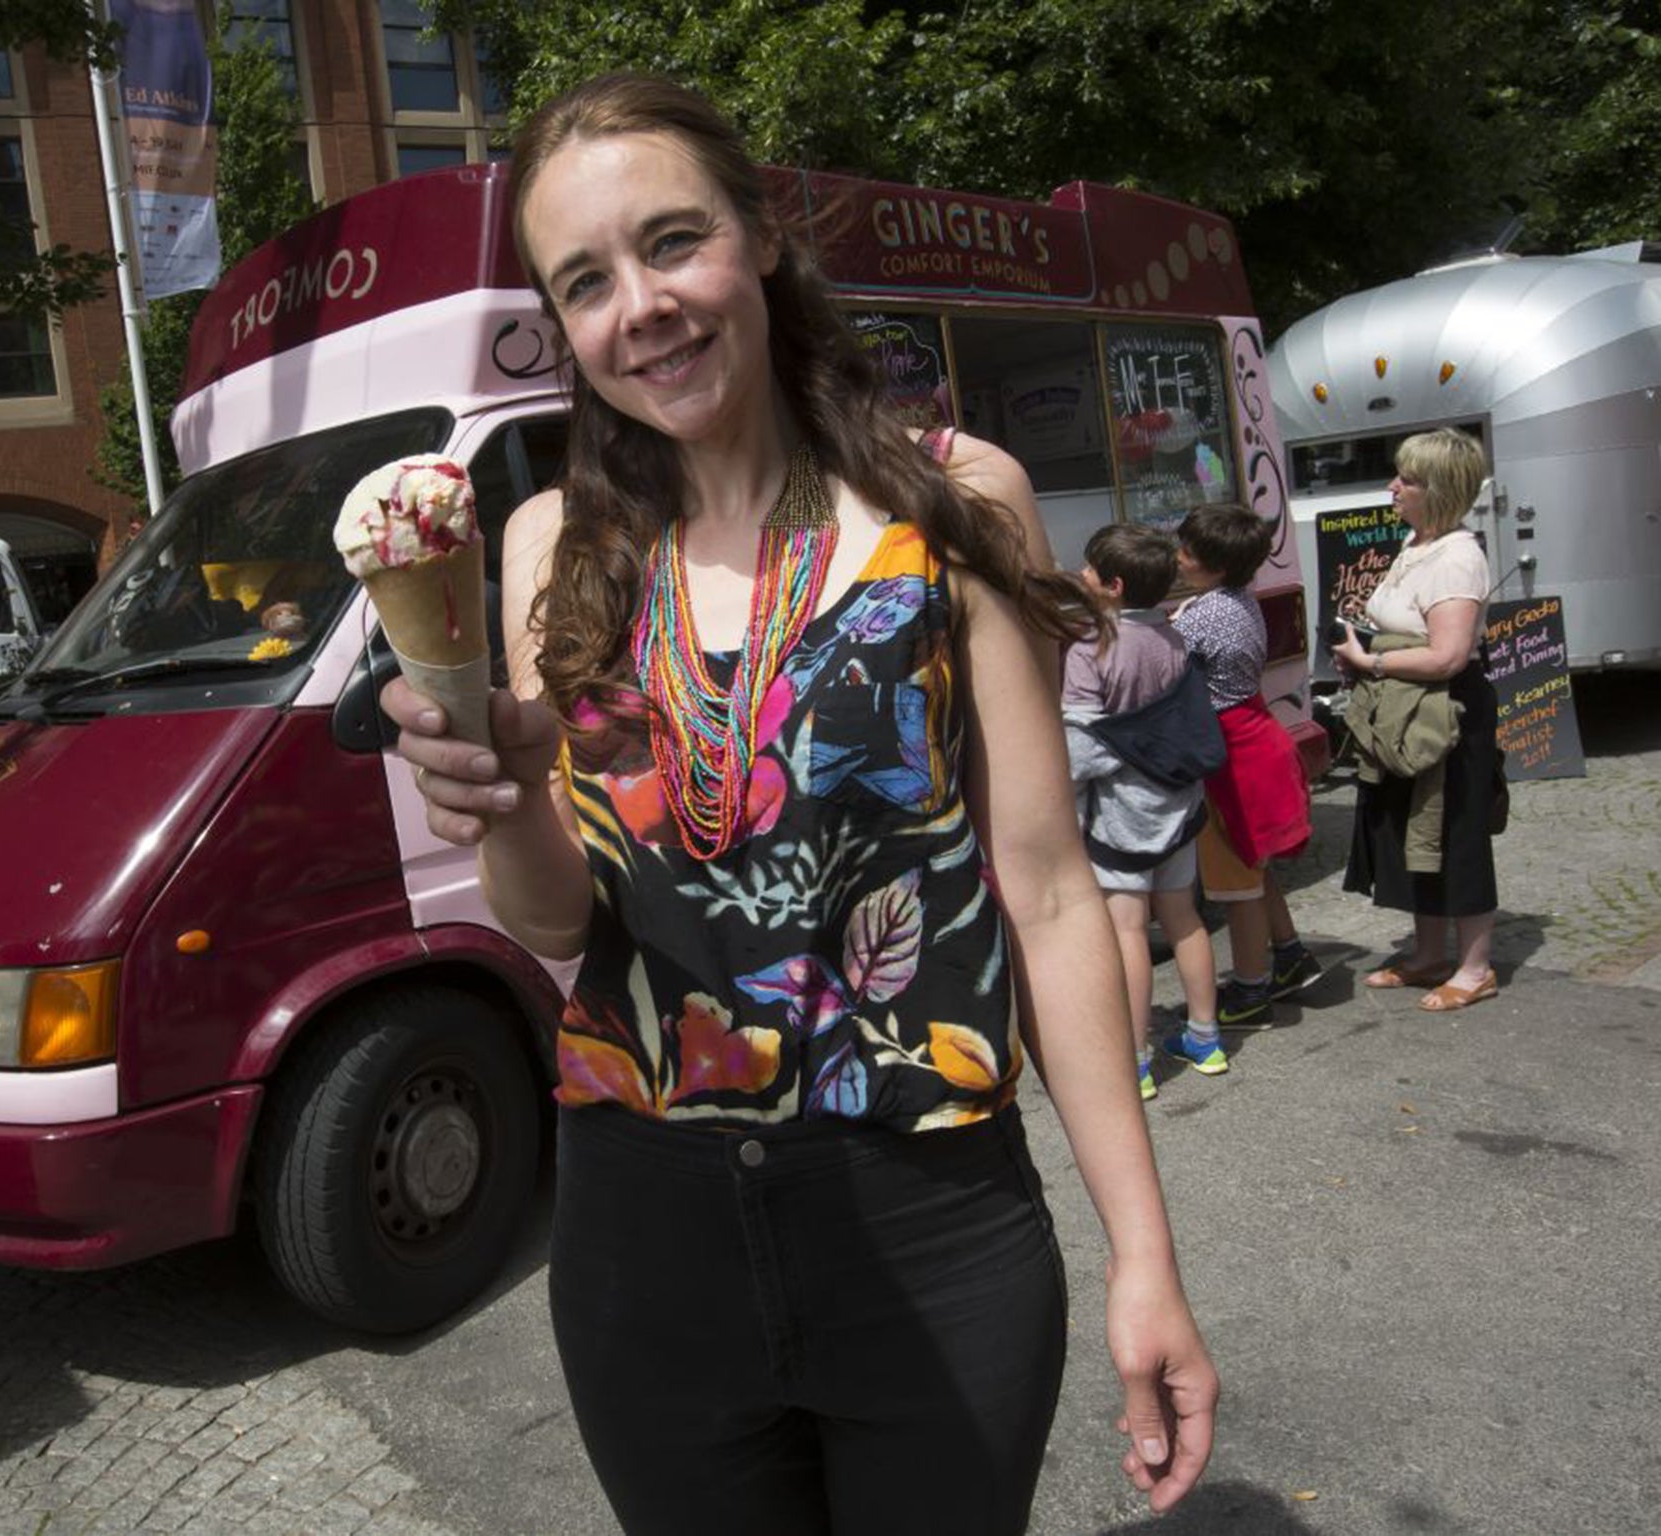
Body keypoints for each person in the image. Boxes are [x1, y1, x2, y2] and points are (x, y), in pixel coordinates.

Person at [381, 72, 1215, 1532]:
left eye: (672, 241)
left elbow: (1051, 891)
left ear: (760, 236)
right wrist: (504, 801)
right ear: (561, 322)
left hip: (932, 1214)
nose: (639, 305)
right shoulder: (547, 547)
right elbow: (559, 923)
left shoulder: (952, 502)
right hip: (646, 1240)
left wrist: (1144, 1257)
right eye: (587, 279)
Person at [1331, 428, 1500, 1011]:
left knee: (1454, 830)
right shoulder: (1417, 541)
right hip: (1404, 708)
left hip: (1443, 712)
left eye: (1407, 479)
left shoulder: (1457, 557)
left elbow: (1448, 655)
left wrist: (1370, 659)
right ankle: (1430, 955)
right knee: (1410, 831)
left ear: (1441, 489)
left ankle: (1475, 967)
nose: (1393, 486)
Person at [1062, 525, 1225, 1099]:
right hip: (1179, 806)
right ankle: (1205, 1037)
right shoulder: (1176, 640)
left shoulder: (1092, 647)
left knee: (1128, 929)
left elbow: (1080, 749)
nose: (1079, 576)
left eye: (1087, 570)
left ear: (1112, 585)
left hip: (1122, 816)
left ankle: (1134, 1061)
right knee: (1184, 919)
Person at [1171, 504, 1323, 1028]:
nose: (1178, 557)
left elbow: (1165, 667)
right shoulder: (1237, 599)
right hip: (1255, 739)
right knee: (1255, 866)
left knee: (1235, 882)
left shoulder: (1203, 615)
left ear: (1214, 565)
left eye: (1187, 551)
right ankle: (1289, 955)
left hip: (1229, 757)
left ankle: (1252, 987)